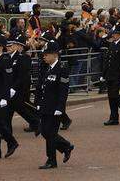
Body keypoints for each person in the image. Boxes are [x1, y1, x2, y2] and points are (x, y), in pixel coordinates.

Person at [35, 41, 73, 169]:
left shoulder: (62, 69)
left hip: (55, 107)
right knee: (45, 132)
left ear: (54, 55)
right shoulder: (47, 68)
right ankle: (66, 146)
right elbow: (42, 88)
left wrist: (60, 108)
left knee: (50, 134)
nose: (44, 57)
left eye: (46, 54)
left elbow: (63, 91)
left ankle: (51, 160)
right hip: (45, 106)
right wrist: (39, 103)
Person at [100, 27, 120, 125]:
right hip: (110, 74)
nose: (113, 35)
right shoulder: (112, 44)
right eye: (113, 34)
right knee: (111, 96)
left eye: (115, 34)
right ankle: (114, 118)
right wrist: (103, 74)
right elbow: (107, 61)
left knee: (114, 94)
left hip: (118, 75)